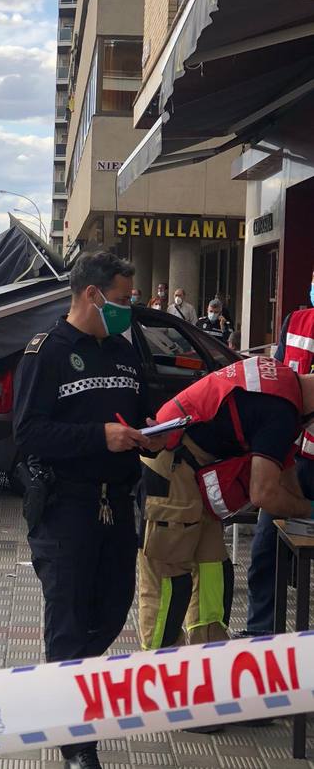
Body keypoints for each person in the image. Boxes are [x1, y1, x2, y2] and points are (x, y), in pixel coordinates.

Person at [13, 251, 165, 769]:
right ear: (92, 294)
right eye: (123, 299)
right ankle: (77, 742)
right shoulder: (46, 352)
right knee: (70, 621)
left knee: (112, 610)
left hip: (118, 505)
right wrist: (98, 437)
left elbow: (140, 413)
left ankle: (63, 684)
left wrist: (154, 433)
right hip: (65, 506)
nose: (129, 308)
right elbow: (27, 434)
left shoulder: (122, 352)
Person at [138, 356, 314, 651]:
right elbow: (264, 494)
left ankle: (209, 658)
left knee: (213, 571)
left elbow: (284, 471)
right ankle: (156, 670)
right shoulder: (282, 412)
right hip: (172, 467)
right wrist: (310, 510)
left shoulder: (282, 383)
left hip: (194, 470)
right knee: (170, 581)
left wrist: (303, 508)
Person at [238, 272, 314, 637]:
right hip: (293, 458)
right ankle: (259, 634)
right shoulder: (295, 322)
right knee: (267, 552)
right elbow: (279, 376)